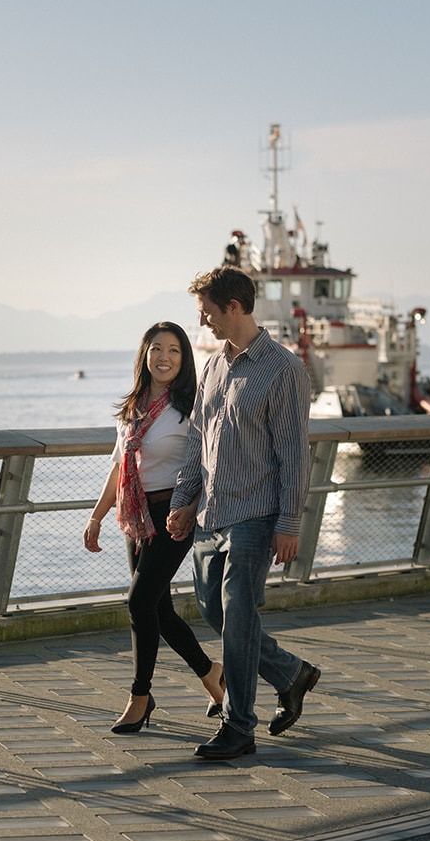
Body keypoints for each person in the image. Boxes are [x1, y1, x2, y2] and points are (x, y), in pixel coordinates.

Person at [167, 266, 321, 760]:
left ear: (233, 306)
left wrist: (288, 524)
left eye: (207, 310)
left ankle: (239, 727)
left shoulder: (283, 368)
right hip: (211, 514)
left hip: (256, 515)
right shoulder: (212, 367)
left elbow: (294, 454)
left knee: (238, 617)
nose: (202, 319)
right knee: (214, 610)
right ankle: (290, 674)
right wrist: (182, 503)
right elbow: (197, 442)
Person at [84, 322, 226, 734]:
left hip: (174, 514)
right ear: (145, 355)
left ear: (184, 360)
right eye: (157, 349)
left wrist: (192, 507)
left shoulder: (192, 406)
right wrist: (95, 516)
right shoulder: (134, 406)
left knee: (138, 602)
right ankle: (212, 674)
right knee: (158, 610)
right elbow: (119, 466)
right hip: (136, 515)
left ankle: (140, 696)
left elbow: (208, 465)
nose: (164, 358)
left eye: (174, 351)